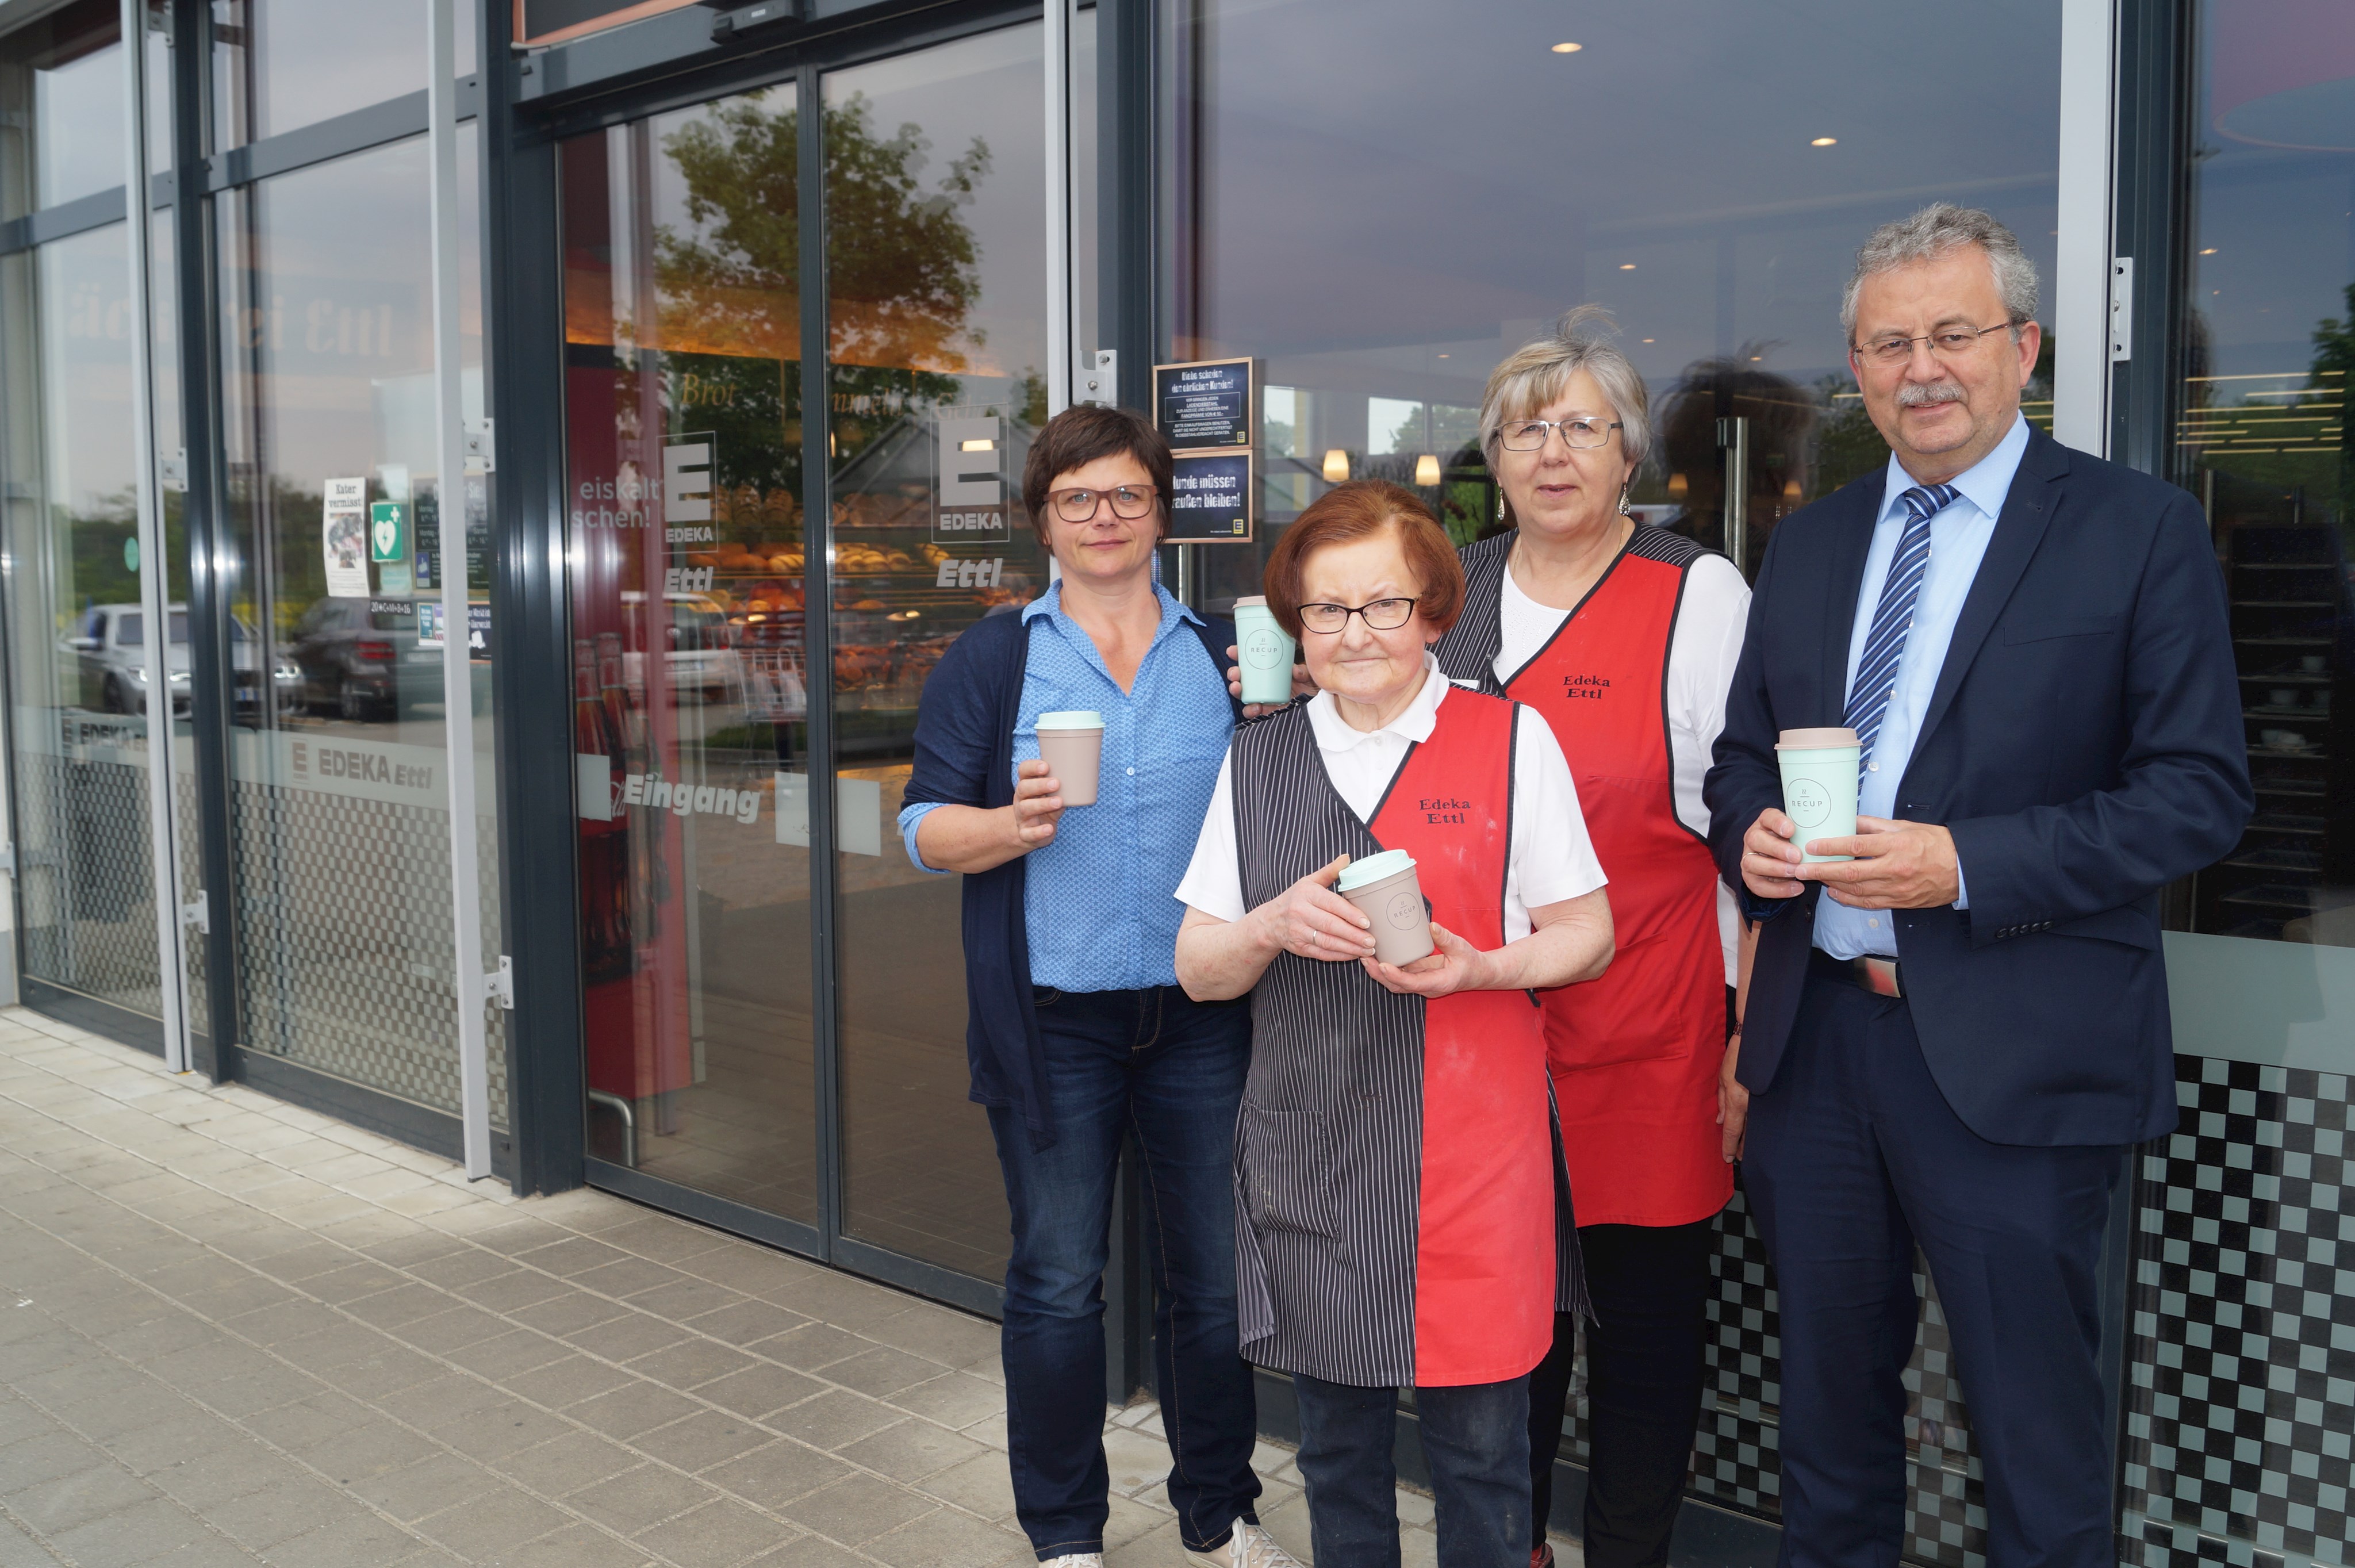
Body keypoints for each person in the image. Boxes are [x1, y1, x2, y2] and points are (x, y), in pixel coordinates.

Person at [1704, 204, 2251, 1567]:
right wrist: (1751, 833)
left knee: (2034, 1438)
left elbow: (2197, 793)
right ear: (1857, 365)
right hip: (1817, 1040)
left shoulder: (2136, 528)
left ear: (2025, 347)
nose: (1919, 367)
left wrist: (1963, 861)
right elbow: (1733, 760)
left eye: (1952, 332)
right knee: (1824, 1427)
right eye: (1887, 342)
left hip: (2016, 1046)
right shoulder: (1814, 541)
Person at [1175, 480, 1617, 1567]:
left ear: (1430, 613)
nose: (1353, 633)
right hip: (1316, 1158)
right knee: (1338, 1456)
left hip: (1475, 1156)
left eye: (1381, 605)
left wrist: (1485, 968)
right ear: (1296, 627)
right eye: (1325, 611)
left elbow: (1590, 934)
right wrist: (1273, 921)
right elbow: (1198, 974)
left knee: (1481, 1454)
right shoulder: (1257, 760)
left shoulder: (1513, 740)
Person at [898, 404, 1297, 1568]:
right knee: (1060, 1281)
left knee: (1215, 1284)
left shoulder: (1226, 653)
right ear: (1043, 521)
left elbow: (1290, 799)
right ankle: (1065, 1531)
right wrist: (1006, 825)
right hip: (1055, 1020)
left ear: (1162, 512)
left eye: (1124, 494)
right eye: (1077, 497)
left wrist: (1280, 722)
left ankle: (1218, 1511)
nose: (1103, 515)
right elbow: (923, 828)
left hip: (1202, 1015)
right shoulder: (995, 657)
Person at [1430, 308, 1754, 1568]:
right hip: (1480, 1019)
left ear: (1629, 453)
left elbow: (1743, 829)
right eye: (1523, 428)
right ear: (1493, 458)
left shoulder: (1691, 589)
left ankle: (1626, 1551)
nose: (1550, 451)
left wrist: (1747, 1031)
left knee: (1645, 1322)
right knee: (1507, 1315)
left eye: (1580, 426)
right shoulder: (1448, 590)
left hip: (1646, 1019)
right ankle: (1509, 1546)